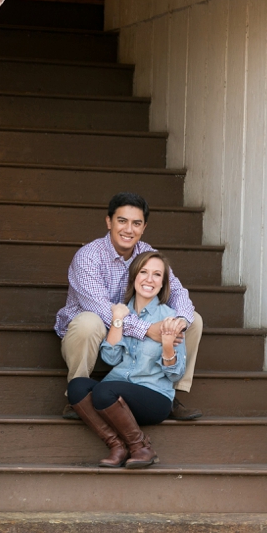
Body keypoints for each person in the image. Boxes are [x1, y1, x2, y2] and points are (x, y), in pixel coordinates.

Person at [54, 192, 204, 420]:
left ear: (144, 227)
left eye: (136, 223)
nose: (128, 229)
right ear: (109, 222)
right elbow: (102, 310)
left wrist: (179, 323)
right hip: (95, 326)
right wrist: (147, 330)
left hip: (131, 323)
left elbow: (176, 289)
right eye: (122, 221)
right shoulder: (88, 257)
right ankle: (77, 398)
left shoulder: (145, 252)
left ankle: (170, 394)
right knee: (88, 323)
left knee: (194, 319)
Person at [67, 251, 186, 468]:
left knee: (104, 390)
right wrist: (118, 320)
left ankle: (141, 447)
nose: (149, 279)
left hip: (154, 397)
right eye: (144, 272)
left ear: (163, 283)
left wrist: (168, 346)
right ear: (134, 277)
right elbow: (110, 358)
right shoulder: (121, 311)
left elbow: (175, 374)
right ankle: (117, 447)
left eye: (157, 275)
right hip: (117, 393)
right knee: (76, 387)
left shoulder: (169, 318)